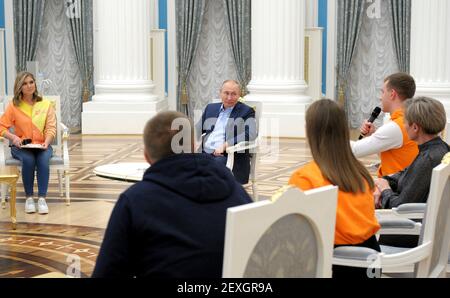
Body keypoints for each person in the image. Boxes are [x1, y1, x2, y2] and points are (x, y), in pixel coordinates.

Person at [92, 111, 252, 278]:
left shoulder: (135, 201)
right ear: (194, 145)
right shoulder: (238, 192)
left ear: (146, 156)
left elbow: (107, 271)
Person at [289, 99, 380, 278]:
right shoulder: (361, 173)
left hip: (338, 263)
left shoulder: (305, 178)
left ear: (310, 132)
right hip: (372, 259)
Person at [374, 97, 450, 209]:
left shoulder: (427, 159)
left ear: (415, 127)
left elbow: (400, 207)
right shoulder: (440, 148)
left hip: (405, 222)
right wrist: (383, 181)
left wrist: (385, 190)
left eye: (405, 122)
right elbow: (404, 174)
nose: (403, 126)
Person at [0, 72, 56, 214]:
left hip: (42, 145)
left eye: (31, 82)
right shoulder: (14, 106)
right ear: (19, 87)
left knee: (43, 160)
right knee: (29, 160)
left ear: (35, 84)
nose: (29, 86)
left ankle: (42, 199)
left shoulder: (45, 104)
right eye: (24, 83)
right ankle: (29, 198)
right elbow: (1, 126)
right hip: (21, 147)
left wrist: (47, 142)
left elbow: (51, 128)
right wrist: (13, 138)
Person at [351, 73, 419, 177]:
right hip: (402, 182)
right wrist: (373, 134)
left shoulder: (397, 127)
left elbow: (354, 150)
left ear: (392, 94)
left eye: (382, 92)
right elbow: (391, 155)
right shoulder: (410, 118)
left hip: (394, 188)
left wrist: (329, 134)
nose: (380, 98)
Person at [200, 80, 257, 184]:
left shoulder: (246, 111)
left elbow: (251, 134)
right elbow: (197, 129)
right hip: (204, 153)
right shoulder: (211, 108)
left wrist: (226, 145)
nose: (229, 98)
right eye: (226, 93)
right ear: (220, 92)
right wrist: (194, 140)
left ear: (239, 95)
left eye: (233, 94)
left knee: (210, 168)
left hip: (229, 157)